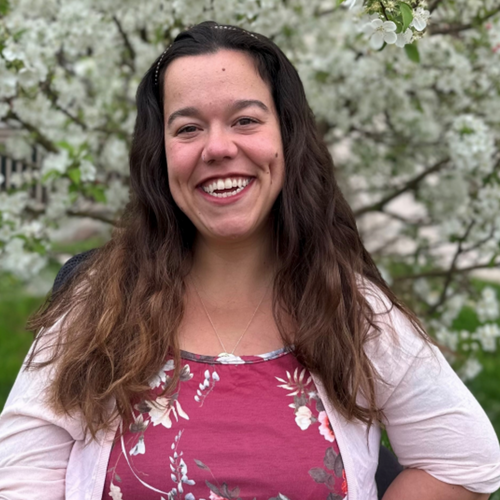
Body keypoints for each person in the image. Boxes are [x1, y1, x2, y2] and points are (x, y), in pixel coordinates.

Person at [0, 21, 499, 500]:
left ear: (287, 137)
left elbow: (465, 461)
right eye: (188, 128)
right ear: (160, 154)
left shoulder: (350, 308)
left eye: (245, 120)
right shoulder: (97, 306)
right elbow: (19, 480)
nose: (218, 148)